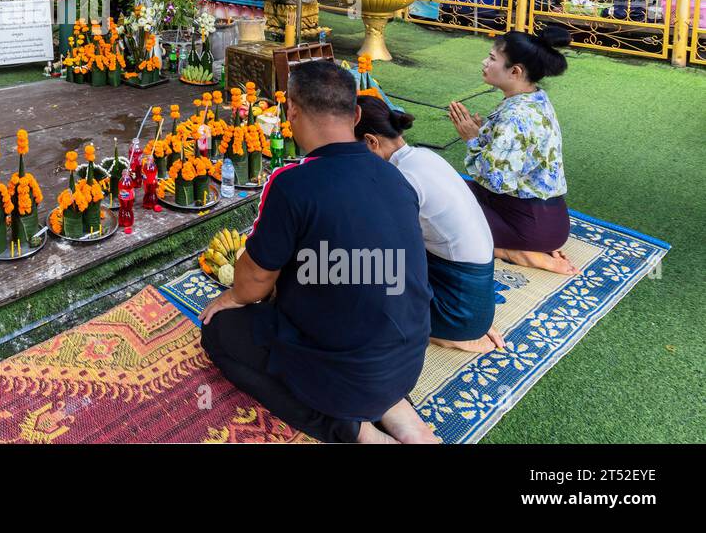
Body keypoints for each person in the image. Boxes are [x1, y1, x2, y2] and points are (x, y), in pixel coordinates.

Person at [200, 60, 435, 444]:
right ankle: (399, 413)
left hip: (345, 372)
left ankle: (352, 430)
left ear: (291, 112)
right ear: (356, 115)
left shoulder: (293, 183)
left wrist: (231, 296)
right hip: (407, 361)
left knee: (220, 331)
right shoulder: (393, 175)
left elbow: (254, 284)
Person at [355, 95, 503, 353]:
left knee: (352, 271)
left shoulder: (401, 178)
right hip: (474, 301)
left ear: (370, 142)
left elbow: (386, 254)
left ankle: (442, 331)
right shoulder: (422, 156)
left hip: (457, 313)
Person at [447, 26, 575, 276]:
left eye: (493, 58)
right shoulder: (535, 98)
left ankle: (509, 251)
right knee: (444, 188)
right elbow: (518, 154)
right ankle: (515, 245)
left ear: (515, 71)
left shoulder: (515, 116)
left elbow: (497, 180)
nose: (485, 62)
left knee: (428, 215)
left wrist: (473, 139)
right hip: (548, 220)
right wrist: (484, 133)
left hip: (526, 226)